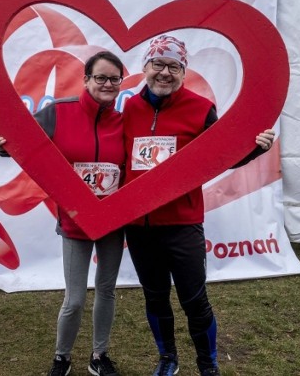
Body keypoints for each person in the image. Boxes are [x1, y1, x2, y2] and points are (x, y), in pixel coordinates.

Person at [122, 35, 275, 376]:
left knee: (194, 301)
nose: (165, 73)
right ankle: (168, 359)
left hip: (182, 225)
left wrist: (256, 148)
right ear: (145, 67)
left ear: (183, 71)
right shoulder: (129, 108)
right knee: (156, 298)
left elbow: (224, 154)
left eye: (174, 66)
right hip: (140, 227)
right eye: (158, 64)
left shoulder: (200, 108)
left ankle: (208, 365)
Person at [0, 51, 126, 376]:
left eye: (114, 79)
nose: (107, 84)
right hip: (76, 222)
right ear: (87, 80)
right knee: (75, 299)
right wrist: (0, 145)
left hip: (114, 221)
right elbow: (22, 141)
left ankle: (99, 356)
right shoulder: (59, 112)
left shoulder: (123, 120)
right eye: (101, 77)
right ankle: (62, 357)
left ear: (121, 83)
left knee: (106, 290)